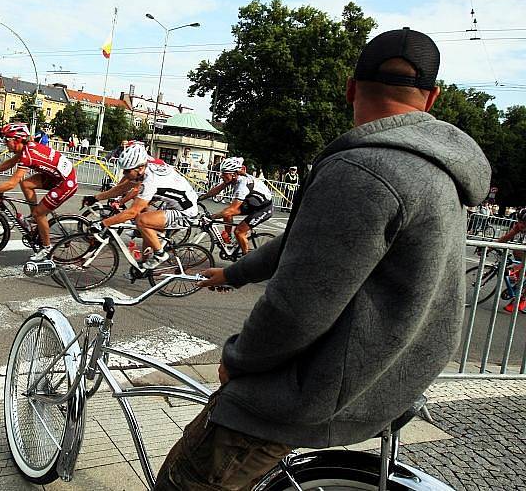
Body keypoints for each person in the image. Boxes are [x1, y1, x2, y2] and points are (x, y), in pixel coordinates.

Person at [153, 28, 491, 490]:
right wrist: (233, 271)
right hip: (387, 380)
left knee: (184, 481)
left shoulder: (363, 170)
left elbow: (298, 307)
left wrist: (240, 358)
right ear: (431, 97)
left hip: (309, 393)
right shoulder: (440, 173)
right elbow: (303, 245)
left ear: (351, 87)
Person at [0, 122, 78, 262]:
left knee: (39, 213)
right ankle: (34, 218)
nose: (5, 143)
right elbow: (10, 163)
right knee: (26, 184)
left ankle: (47, 248)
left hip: (66, 183)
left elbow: (12, 183)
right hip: (56, 176)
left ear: (17, 140)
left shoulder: (28, 154)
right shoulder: (26, 148)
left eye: (7, 140)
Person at [89, 144, 198, 270]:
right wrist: (96, 198)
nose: (124, 173)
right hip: (176, 204)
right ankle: (143, 265)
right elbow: (122, 188)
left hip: (186, 212)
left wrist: (103, 224)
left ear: (140, 168)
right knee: (145, 223)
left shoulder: (149, 182)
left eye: (127, 171)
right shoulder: (145, 169)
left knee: (141, 220)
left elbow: (132, 212)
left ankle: (160, 254)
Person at [199, 156, 274, 254]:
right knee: (227, 214)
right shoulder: (233, 178)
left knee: (239, 231)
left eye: (224, 173)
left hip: (263, 208)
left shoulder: (242, 186)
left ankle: (246, 260)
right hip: (252, 203)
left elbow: (232, 209)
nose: (221, 176)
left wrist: (212, 217)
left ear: (234, 174)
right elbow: (217, 189)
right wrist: (200, 198)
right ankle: (228, 238)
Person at [496, 207, 526, 313]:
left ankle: (523, 299)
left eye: (524, 222)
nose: (521, 224)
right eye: (520, 221)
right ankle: (520, 280)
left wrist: (519, 267)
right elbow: (506, 238)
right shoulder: (519, 226)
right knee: (517, 251)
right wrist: (489, 247)